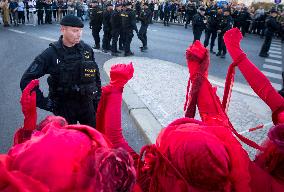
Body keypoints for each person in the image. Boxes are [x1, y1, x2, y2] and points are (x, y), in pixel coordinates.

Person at [0, 64, 137, 191]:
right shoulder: (121, 180)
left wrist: (29, 127)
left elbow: (27, 168)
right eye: (94, 148)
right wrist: (114, 88)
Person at [20, 15, 101, 128]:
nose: (79, 34)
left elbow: (96, 77)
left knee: (92, 140)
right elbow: (26, 80)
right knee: (67, 143)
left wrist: (97, 100)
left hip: (87, 105)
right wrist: (45, 103)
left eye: (81, 30)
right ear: (63, 30)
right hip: (64, 108)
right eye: (75, 31)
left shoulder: (86, 50)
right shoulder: (50, 54)